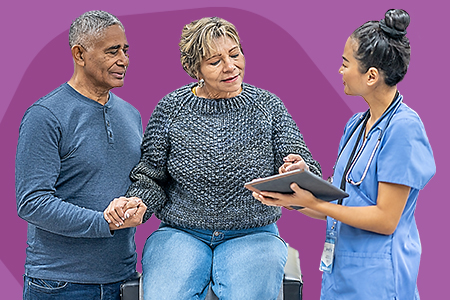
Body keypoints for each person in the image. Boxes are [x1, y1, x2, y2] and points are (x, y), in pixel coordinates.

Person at [121, 17, 321, 300]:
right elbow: (151, 176)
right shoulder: (170, 109)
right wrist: (138, 202)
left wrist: (299, 169)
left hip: (253, 233)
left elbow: (306, 167)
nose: (230, 67)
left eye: (235, 54)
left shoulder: (269, 106)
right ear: (196, 69)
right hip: (181, 233)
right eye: (215, 61)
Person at [254, 9, 436, 299]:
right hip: (341, 275)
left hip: (380, 278)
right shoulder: (356, 125)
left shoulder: (404, 130)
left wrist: (315, 202)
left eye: (345, 63)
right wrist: (292, 198)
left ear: (371, 76)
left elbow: (386, 219)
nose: (340, 71)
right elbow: (340, 202)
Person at [15, 10, 147, 300]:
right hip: (60, 284)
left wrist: (141, 206)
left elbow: (140, 184)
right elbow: (32, 203)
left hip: (123, 280)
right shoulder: (45, 116)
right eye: (112, 51)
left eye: (125, 50)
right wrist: (105, 222)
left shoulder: (132, 115)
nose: (123, 60)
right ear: (79, 54)